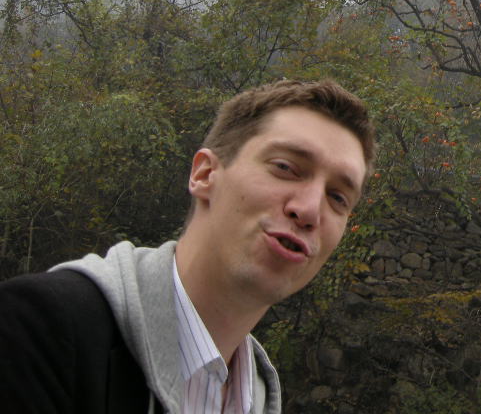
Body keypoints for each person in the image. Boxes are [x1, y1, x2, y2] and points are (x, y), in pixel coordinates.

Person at [0, 78, 375, 413]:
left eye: (338, 198)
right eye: (285, 167)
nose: (310, 210)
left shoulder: (254, 397)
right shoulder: (41, 331)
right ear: (205, 175)